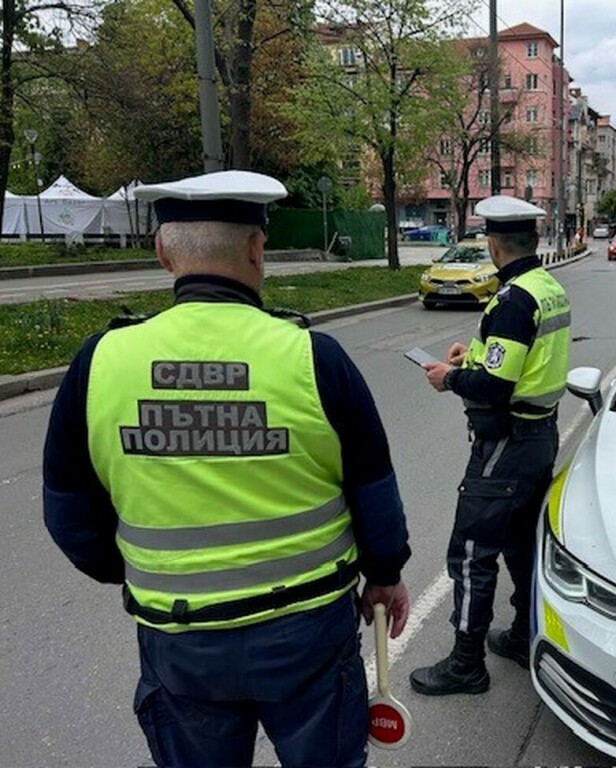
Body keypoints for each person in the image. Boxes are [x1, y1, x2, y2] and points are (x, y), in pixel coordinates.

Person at [42, 170, 411, 768]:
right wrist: (385, 574)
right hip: (306, 631)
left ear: (163, 253)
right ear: (257, 250)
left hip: (179, 638)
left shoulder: (100, 362)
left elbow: (67, 513)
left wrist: (144, 572)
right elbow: (374, 489)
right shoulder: (313, 358)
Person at [409, 195, 571, 696]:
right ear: (536, 241)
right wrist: (471, 357)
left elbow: (495, 387)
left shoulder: (514, 300)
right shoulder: (548, 287)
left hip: (507, 441)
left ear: (493, 245)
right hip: (539, 436)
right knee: (521, 543)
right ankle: (523, 634)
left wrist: (450, 377)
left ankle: (466, 664)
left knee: (472, 552)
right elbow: (518, 360)